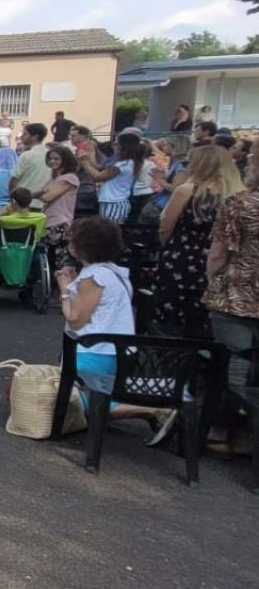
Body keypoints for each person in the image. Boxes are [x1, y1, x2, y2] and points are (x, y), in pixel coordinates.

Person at [56, 217, 172, 433]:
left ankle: (148, 410)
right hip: (117, 352)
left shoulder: (93, 277)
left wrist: (64, 289)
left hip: (93, 353)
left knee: (62, 399)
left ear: (79, 246)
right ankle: (142, 410)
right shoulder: (115, 273)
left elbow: (75, 319)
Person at [152, 146, 245, 338]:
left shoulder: (186, 191)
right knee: (205, 316)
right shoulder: (239, 195)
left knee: (174, 314)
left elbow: (165, 228)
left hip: (182, 257)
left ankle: (173, 352)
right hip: (222, 260)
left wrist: (170, 247)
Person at [204, 141, 259, 450]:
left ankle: (222, 431)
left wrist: (211, 282)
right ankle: (247, 435)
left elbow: (218, 255)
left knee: (233, 366)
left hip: (237, 293)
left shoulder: (240, 204)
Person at [78, 129, 144, 224]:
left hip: (113, 203)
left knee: (109, 229)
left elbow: (98, 177)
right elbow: (100, 167)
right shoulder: (127, 162)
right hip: (112, 201)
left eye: (117, 144)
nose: (114, 146)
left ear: (123, 147)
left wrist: (84, 162)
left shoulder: (122, 165)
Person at [38, 145, 80, 272]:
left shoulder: (69, 178)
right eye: (50, 158)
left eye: (56, 159)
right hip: (48, 220)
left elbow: (48, 197)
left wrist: (43, 193)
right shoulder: (53, 179)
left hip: (60, 222)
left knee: (61, 259)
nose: (52, 161)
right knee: (50, 258)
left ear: (65, 160)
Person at [142, 134, 192, 224]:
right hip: (162, 203)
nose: (163, 148)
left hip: (163, 205)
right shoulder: (177, 163)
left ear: (174, 147)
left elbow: (175, 188)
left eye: (166, 145)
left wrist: (159, 179)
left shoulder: (181, 165)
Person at [8, 123, 50, 205]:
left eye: (25, 134)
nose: (22, 137)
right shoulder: (50, 154)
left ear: (35, 136)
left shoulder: (27, 155)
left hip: (22, 203)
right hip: (42, 202)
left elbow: (14, 180)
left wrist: (12, 196)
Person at [128, 139, 157, 223]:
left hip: (134, 193)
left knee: (132, 218)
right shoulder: (151, 164)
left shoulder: (131, 163)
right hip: (148, 192)